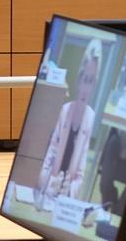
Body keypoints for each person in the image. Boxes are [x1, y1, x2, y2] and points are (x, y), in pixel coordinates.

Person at [37, 39, 103, 200]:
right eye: (85, 80)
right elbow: (48, 161)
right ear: (79, 80)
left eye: (91, 82)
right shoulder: (64, 110)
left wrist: (68, 191)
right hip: (49, 189)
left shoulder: (91, 117)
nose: (86, 89)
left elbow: (80, 174)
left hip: (66, 198)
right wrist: (50, 184)